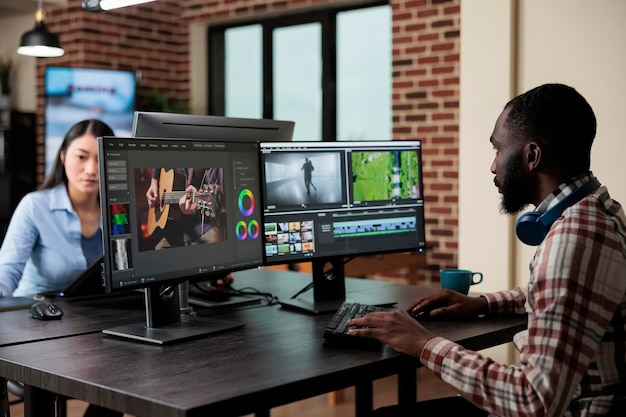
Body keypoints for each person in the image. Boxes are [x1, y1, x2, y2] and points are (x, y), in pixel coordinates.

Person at [347, 84, 626, 417]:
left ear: (532, 156)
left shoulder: (573, 237)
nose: (493, 166)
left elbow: (532, 399)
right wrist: (481, 304)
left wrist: (422, 343)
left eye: (498, 149)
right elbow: (567, 296)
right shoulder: (600, 208)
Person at [0, 119, 123, 417]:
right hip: (34, 329)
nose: (92, 169)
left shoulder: (119, 211)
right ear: (63, 156)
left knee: (132, 370)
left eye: (101, 159)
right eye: (82, 157)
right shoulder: (35, 207)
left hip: (94, 328)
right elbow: (6, 273)